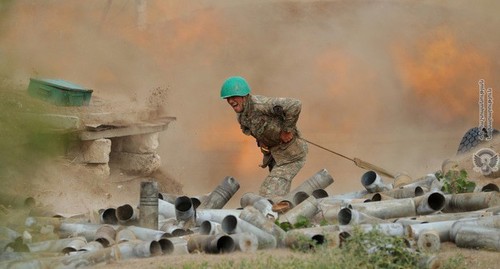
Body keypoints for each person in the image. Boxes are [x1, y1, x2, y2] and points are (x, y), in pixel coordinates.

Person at [220, 76, 308, 199]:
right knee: (278, 196)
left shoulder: (261, 105)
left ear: (244, 96)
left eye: (234, 97)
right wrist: (263, 142)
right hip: (275, 157)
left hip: (291, 155)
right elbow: (257, 130)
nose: (230, 101)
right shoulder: (242, 116)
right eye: (228, 98)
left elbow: (295, 105)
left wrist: (287, 130)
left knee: (269, 194)